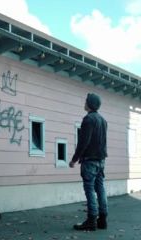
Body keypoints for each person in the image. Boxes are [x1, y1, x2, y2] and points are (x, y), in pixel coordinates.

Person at [69, 93, 108, 231]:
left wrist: (74, 159)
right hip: (101, 160)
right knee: (100, 189)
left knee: (90, 190)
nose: (84, 102)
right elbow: (103, 142)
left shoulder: (88, 119)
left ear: (90, 104)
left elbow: (83, 142)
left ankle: (92, 220)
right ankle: (102, 220)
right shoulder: (103, 121)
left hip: (90, 161)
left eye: (86, 101)